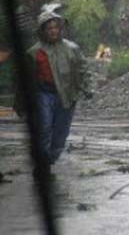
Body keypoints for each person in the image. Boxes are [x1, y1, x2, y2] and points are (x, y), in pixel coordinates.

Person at [15, 11, 91, 177]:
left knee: (61, 132)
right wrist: (20, 103)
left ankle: (49, 159)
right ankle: (42, 164)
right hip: (43, 94)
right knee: (44, 127)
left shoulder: (72, 49)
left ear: (60, 29)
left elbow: (84, 70)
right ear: (42, 30)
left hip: (67, 94)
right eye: (49, 28)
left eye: (56, 27)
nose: (53, 31)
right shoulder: (34, 52)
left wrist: (88, 88)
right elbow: (24, 80)